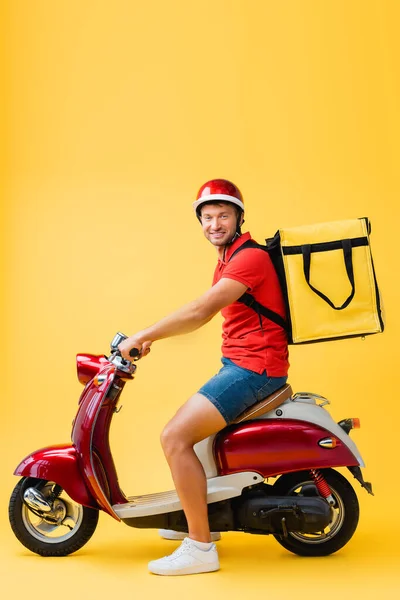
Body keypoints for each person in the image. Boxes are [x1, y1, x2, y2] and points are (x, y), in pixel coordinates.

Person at [118, 179, 289, 575]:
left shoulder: (249, 258)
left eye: (223, 215)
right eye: (207, 217)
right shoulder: (229, 256)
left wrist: (144, 335)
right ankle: (202, 519)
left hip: (254, 370)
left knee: (174, 437)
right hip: (243, 365)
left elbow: (200, 312)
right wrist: (150, 339)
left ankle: (200, 546)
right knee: (195, 437)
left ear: (239, 218)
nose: (215, 223)